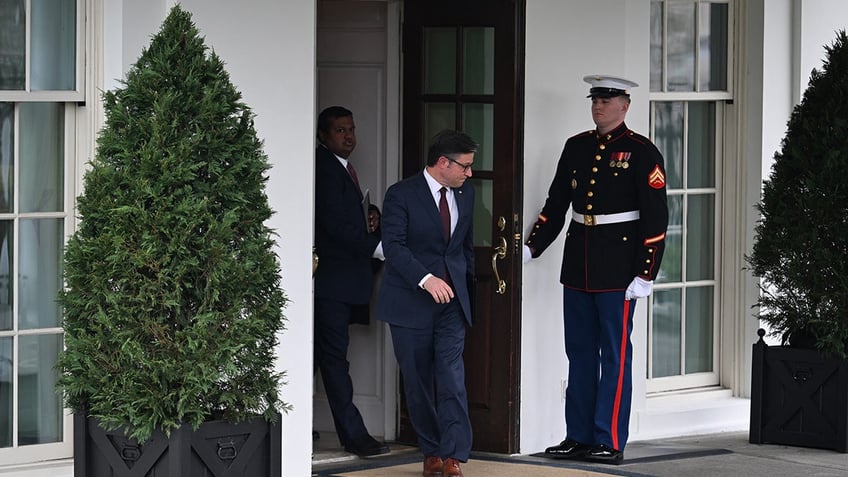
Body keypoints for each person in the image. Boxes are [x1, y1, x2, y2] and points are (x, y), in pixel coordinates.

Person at [524, 75, 669, 463]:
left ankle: (609, 439)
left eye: (607, 100)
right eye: (595, 100)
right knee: (580, 353)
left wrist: (646, 273)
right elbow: (556, 203)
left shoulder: (642, 151)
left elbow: (656, 218)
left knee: (615, 355)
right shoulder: (577, 146)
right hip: (579, 262)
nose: (599, 106)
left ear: (625, 105)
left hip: (619, 269)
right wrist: (532, 246)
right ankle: (579, 436)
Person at [377, 130, 478, 477]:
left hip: (451, 304)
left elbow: (464, 247)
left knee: (452, 377)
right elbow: (394, 246)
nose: (469, 173)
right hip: (410, 302)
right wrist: (425, 279)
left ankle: (453, 456)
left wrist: (465, 289)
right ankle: (431, 451)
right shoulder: (401, 195)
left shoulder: (465, 193)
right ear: (442, 163)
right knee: (418, 381)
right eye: (464, 166)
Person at [314, 105, 389, 457]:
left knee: (321, 356)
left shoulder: (341, 168)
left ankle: (300, 425)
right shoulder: (325, 168)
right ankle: (354, 435)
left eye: (351, 129)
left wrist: (371, 216)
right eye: (341, 131)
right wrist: (376, 247)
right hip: (332, 282)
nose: (349, 136)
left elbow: (349, 216)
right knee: (333, 360)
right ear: (323, 136)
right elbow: (334, 225)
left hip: (344, 282)